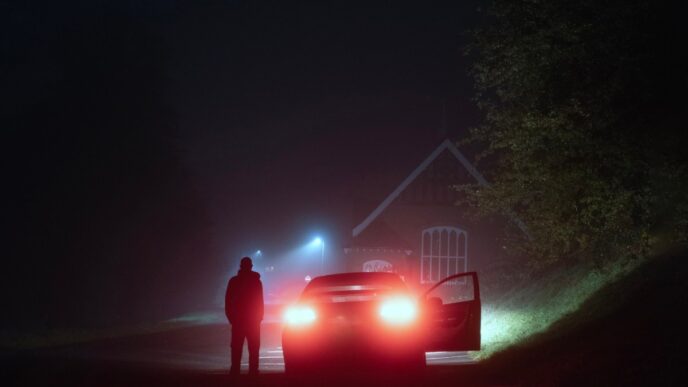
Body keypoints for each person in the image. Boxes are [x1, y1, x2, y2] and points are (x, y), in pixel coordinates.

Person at [225, 256, 264, 376]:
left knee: (236, 348)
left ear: (241, 267)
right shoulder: (256, 281)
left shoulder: (234, 281)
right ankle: (253, 372)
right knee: (254, 348)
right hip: (252, 320)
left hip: (239, 320)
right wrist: (259, 317)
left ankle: (235, 371)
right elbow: (260, 301)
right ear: (251, 267)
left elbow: (228, 301)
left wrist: (231, 318)